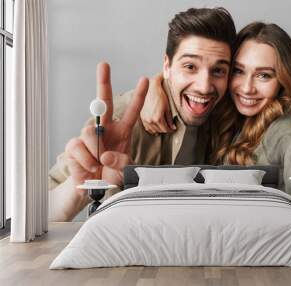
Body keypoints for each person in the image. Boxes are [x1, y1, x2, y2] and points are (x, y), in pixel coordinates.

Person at [141, 22, 291, 221]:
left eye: (264, 75)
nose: (247, 88)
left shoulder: (281, 129)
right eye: (239, 71)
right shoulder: (218, 112)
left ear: (283, 80)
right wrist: (157, 85)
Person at [48, 7, 236, 222]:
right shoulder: (121, 118)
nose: (204, 87)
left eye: (218, 70)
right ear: (167, 66)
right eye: (190, 66)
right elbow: (40, 213)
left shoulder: (230, 115)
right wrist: (81, 184)